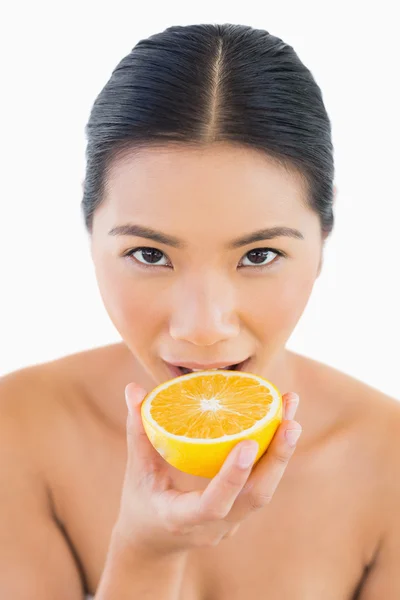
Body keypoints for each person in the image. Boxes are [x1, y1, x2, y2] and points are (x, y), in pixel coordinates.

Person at [0, 22, 399, 600]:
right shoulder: (17, 431)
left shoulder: (389, 463)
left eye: (259, 255)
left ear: (324, 240)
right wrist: (145, 551)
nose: (203, 328)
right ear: (89, 234)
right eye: (149, 253)